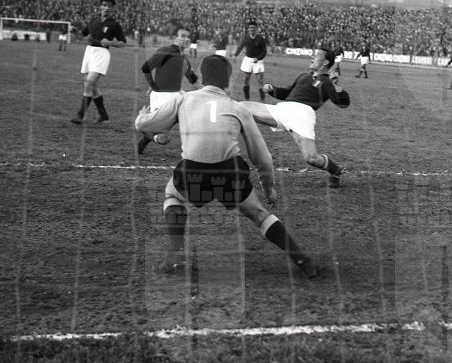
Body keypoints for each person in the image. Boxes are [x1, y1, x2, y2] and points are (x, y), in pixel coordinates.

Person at [134, 55, 318, 278]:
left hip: (194, 171)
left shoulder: (183, 99)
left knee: (172, 195)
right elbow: (262, 157)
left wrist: (141, 118)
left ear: (202, 77)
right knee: (259, 214)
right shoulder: (238, 108)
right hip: (229, 172)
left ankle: (177, 256)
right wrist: (268, 187)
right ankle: (303, 261)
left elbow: (147, 124)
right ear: (229, 80)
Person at [239, 47, 349, 189]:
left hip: (302, 115)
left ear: (325, 62)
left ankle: (335, 171)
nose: (312, 57)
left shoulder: (327, 82)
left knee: (311, 158)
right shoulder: (304, 76)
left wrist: (337, 86)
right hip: (283, 109)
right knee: (240, 108)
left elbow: (343, 103)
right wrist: (272, 89)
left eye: (317, 55)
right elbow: (287, 93)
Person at [137, 25, 198, 155]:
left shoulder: (184, 58)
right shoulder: (165, 51)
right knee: (157, 130)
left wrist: (210, 92)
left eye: (188, 37)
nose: (186, 39)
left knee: (193, 118)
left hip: (178, 95)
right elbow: (145, 67)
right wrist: (153, 85)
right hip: (162, 98)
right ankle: (151, 138)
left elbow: (193, 79)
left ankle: (192, 153)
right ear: (175, 38)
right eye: (183, 36)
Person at [71, 0, 126, 124]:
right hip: (89, 52)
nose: (107, 8)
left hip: (102, 53)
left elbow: (123, 42)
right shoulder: (93, 21)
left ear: (112, 9)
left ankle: (80, 115)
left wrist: (110, 43)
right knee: (93, 87)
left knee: (89, 82)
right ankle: (103, 115)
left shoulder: (114, 24)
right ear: (100, 7)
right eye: (104, 5)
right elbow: (81, 36)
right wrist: (74, 31)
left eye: (110, 6)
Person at [234, 19, 268, 101]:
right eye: (250, 28)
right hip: (248, 60)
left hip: (258, 61)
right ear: (248, 29)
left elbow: (264, 51)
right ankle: (247, 99)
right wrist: (235, 55)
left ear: (256, 28)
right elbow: (240, 47)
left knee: (260, 80)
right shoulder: (245, 38)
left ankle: (262, 100)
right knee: (246, 80)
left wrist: (258, 58)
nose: (252, 29)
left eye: (253, 27)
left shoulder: (260, 39)